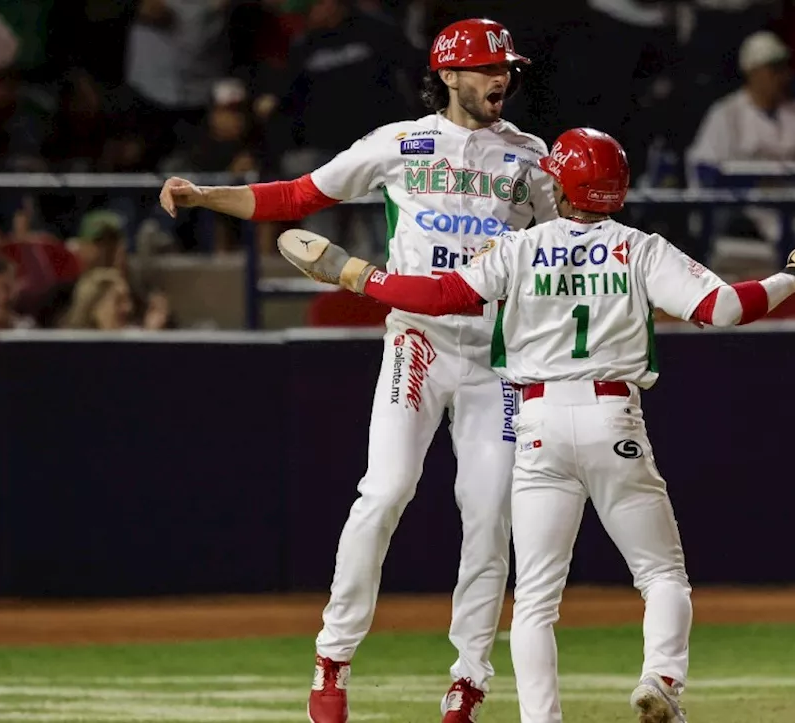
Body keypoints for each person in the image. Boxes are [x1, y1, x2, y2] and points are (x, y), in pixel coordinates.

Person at [275, 127, 795, 723]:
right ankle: (661, 678)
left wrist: (357, 275)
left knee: (534, 604)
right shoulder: (639, 247)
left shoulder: (521, 246)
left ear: (561, 182)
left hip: (538, 423)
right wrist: (793, 278)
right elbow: (725, 308)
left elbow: (441, 294)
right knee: (661, 576)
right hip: (613, 417)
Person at [157, 18, 556, 723]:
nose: (503, 77)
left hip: (499, 353)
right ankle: (332, 657)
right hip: (420, 341)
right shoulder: (399, 142)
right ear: (452, 74)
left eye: (508, 67)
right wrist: (205, 195)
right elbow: (298, 197)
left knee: (490, 516)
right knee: (386, 490)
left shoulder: (531, 156)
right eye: (490, 67)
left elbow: (568, 234)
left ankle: (468, 678)